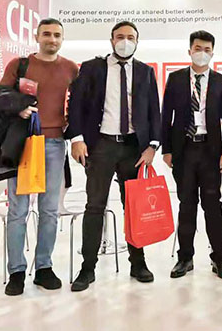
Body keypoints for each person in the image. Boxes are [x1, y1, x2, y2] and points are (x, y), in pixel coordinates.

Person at [69, 21, 161, 292]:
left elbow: (154, 111)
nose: (125, 41)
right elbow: (76, 105)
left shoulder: (145, 71)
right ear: (111, 40)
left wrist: (152, 146)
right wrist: (76, 139)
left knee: (133, 207)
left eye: (130, 37)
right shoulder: (92, 68)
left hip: (134, 148)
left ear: (137, 42)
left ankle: (138, 263)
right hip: (101, 145)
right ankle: (87, 268)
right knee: (94, 206)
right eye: (120, 36)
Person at [0, 18, 79, 296]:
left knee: (50, 210)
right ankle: (16, 271)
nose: (52, 39)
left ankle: (44, 266)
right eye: (46, 34)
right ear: (37, 36)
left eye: (57, 35)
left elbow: (80, 103)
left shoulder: (71, 68)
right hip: (22, 143)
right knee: (18, 210)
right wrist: (17, 108)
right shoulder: (19, 65)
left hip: (55, 144)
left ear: (62, 39)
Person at [162, 30, 222, 279]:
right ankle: (185, 257)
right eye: (197, 48)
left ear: (212, 53)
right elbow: (165, 116)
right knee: (186, 205)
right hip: (184, 150)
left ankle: (219, 258)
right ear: (189, 51)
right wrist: (167, 149)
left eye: (206, 49)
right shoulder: (176, 79)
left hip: (210, 151)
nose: (202, 53)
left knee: (213, 205)